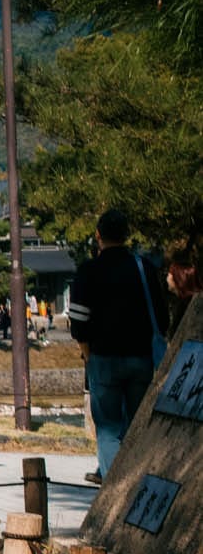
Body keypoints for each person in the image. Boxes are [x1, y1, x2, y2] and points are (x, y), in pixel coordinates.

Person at [69, 207, 169, 485]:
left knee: (108, 428)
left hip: (102, 357)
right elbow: (162, 318)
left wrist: (88, 355)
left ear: (98, 235)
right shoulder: (143, 267)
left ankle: (115, 486)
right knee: (136, 425)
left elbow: (78, 322)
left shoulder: (89, 271)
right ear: (127, 235)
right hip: (140, 358)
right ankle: (137, 481)